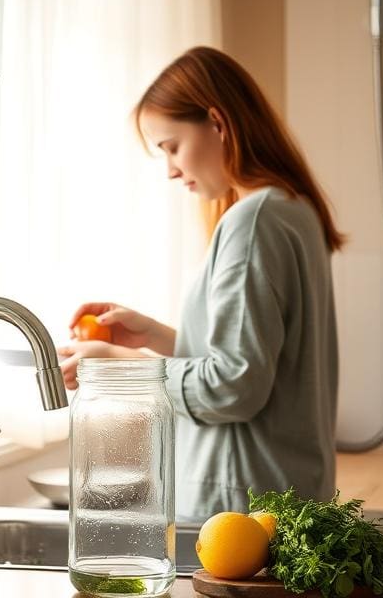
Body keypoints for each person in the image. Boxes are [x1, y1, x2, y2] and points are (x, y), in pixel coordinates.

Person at [57, 46, 343, 522]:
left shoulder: (253, 222)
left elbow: (233, 387)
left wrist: (121, 363)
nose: (170, 169)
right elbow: (254, 358)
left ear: (218, 122)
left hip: (241, 512)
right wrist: (153, 335)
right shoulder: (292, 209)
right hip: (277, 501)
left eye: (171, 146)